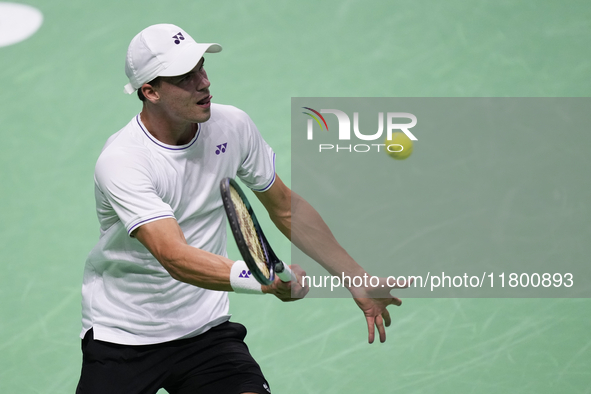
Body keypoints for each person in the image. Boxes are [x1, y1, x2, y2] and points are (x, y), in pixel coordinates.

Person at [76, 23, 407, 394]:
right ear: (150, 91)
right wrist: (263, 280)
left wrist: (355, 276)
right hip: (125, 336)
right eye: (185, 77)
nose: (203, 82)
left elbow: (285, 207)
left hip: (205, 332)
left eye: (201, 67)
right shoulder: (124, 161)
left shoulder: (231, 125)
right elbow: (174, 256)